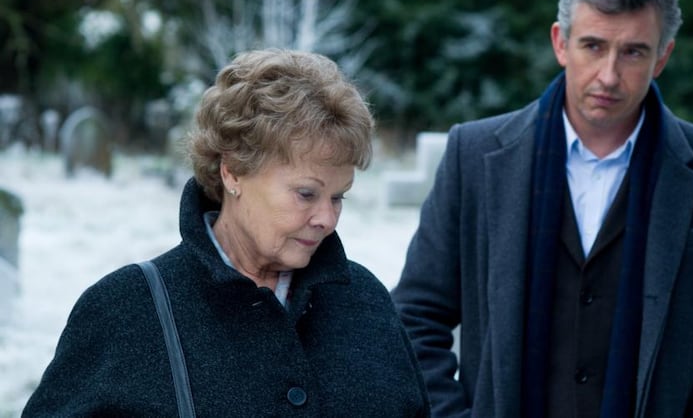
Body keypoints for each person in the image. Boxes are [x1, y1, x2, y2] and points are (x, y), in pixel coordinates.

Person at [391, 0, 693, 417]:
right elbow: (413, 319)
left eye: (633, 52)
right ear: (561, 43)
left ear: (662, 57)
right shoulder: (473, 156)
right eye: (594, 46)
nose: (609, 75)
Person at [23, 49, 430, 417]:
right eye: (306, 194)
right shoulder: (125, 310)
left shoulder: (365, 302)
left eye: (338, 197)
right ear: (232, 171)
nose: (327, 218)